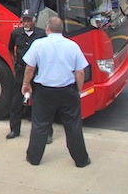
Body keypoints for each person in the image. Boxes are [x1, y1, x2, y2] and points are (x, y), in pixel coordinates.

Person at [21, 16, 91, 167]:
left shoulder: (38, 44)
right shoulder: (72, 45)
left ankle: (34, 157)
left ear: (47, 28)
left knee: (40, 125)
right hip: (67, 90)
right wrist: (77, 90)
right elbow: (80, 72)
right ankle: (81, 160)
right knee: (73, 126)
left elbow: (30, 68)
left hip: (44, 92)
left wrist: (26, 84)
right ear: (62, 30)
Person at [6, 10, 50, 141]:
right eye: (24, 20)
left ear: (34, 21)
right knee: (16, 101)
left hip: (37, 71)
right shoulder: (15, 33)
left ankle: (47, 133)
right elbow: (10, 48)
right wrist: (13, 63)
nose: (26, 23)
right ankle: (14, 129)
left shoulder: (42, 34)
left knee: (41, 102)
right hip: (21, 70)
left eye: (29, 20)